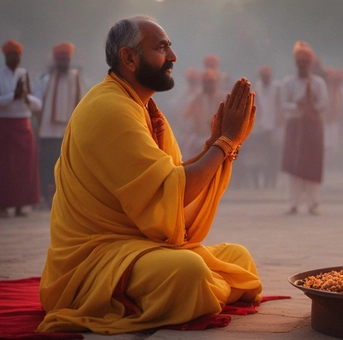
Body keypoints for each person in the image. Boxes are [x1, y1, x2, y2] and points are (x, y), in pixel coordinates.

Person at [38, 15, 261, 334]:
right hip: (96, 259)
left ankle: (198, 294)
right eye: (161, 47)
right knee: (189, 272)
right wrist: (224, 144)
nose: (172, 57)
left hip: (140, 245)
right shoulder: (109, 109)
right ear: (128, 57)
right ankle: (196, 293)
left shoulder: (145, 110)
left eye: (170, 47)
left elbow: (171, 188)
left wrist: (219, 144)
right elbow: (171, 190)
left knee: (238, 258)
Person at [280, 41, 328, 215]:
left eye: (305, 63)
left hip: (313, 127)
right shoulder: (288, 82)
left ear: (310, 64)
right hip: (295, 127)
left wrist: (311, 105)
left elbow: (324, 104)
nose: (302, 66)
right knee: (294, 166)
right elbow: (284, 104)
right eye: (299, 63)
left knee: (312, 165)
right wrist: (298, 105)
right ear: (296, 64)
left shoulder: (319, 83)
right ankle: (293, 203)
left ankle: (313, 203)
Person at [35, 42, 83, 208]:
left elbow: (79, 101)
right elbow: (37, 103)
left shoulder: (74, 77)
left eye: (65, 58)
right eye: (60, 58)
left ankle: (64, 197)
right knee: (47, 164)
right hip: (48, 130)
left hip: (66, 130)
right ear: (55, 60)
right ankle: (47, 197)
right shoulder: (45, 79)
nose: (63, 61)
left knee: (65, 164)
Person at [0, 39, 42, 217]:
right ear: (5, 56)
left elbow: (36, 104)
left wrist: (25, 97)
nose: (15, 59)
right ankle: (3, 205)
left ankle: (20, 204)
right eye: (12, 55)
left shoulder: (24, 74)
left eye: (18, 56)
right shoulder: (1, 75)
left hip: (23, 124)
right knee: (6, 167)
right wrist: (13, 96)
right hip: (5, 124)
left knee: (24, 167)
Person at [181, 68, 226, 158]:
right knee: (186, 151)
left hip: (218, 136)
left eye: (210, 82)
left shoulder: (223, 98)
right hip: (199, 136)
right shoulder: (197, 98)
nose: (208, 84)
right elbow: (185, 116)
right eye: (206, 82)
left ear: (215, 82)